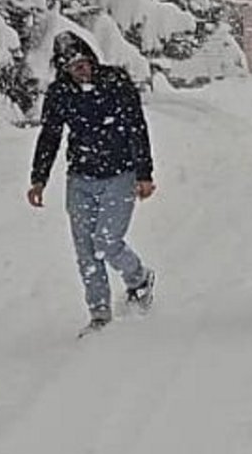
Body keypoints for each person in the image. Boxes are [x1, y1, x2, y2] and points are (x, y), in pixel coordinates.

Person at [26, 30, 156, 332]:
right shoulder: (60, 93)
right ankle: (99, 313)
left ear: (91, 59)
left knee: (107, 242)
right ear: (64, 69)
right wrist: (39, 178)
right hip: (80, 177)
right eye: (73, 67)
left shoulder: (116, 82)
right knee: (86, 250)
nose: (80, 71)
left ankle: (138, 278)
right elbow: (50, 135)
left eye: (83, 63)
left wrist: (144, 174)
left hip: (120, 174)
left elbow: (136, 126)